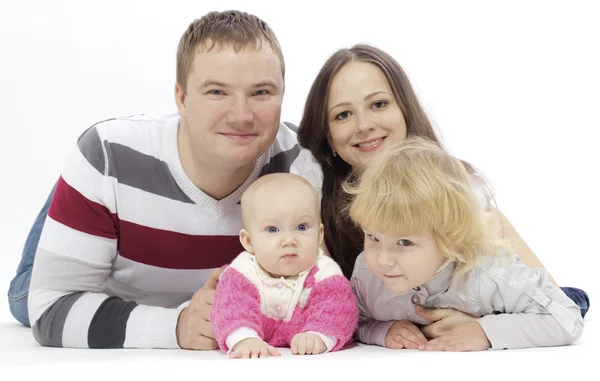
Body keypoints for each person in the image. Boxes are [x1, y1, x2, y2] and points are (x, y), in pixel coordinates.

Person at [9, 10, 322, 350]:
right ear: (182, 100)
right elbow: (50, 309)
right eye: (217, 92)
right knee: (26, 297)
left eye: (261, 92)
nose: (241, 115)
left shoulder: (302, 163)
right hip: (112, 202)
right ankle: (83, 193)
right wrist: (175, 325)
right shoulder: (109, 153)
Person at [296, 44, 590, 330]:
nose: (364, 124)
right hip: (394, 324)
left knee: (570, 297)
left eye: (379, 104)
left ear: (405, 112)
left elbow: (550, 295)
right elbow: (326, 304)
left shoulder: (456, 188)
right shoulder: (315, 195)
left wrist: (483, 323)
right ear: (329, 138)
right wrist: (385, 328)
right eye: (343, 115)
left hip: (493, 303)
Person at [345, 137, 583, 350]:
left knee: (574, 300)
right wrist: (382, 330)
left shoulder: (490, 274)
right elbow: (351, 321)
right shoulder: (367, 273)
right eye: (373, 237)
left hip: (515, 301)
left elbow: (567, 319)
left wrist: (484, 330)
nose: (382, 259)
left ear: (451, 240)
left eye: (404, 242)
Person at [211, 173, 357, 358]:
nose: (289, 240)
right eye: (272, 229)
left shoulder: (325, 273)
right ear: (249, 241)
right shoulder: (242, 272)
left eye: (302, 227)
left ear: (320, 235)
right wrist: (244, 338)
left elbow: (339, 310)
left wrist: (318, 335)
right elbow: (230, 309)